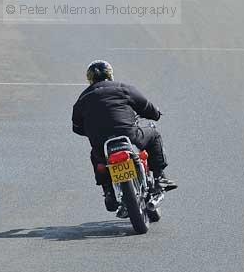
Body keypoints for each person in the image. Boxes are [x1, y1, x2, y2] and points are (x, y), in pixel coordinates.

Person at [72, 60, 177, 212]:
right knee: (154, 135)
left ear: (90, 79)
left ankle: (108, 192)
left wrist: (92, 132)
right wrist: (156, 114)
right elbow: (146, 107)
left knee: (96, 157)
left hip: (101, 144)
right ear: (110, 74)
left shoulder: (82, 99)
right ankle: (159, 177)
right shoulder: (122, 88)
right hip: (129, 135)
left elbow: (77, 128)